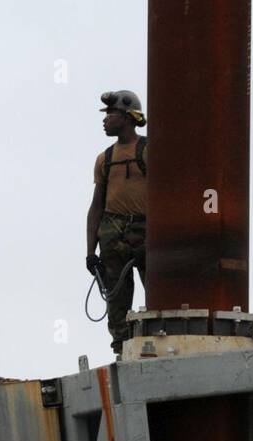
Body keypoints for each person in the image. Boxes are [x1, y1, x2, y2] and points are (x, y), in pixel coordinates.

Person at [86, 90, 147, 355]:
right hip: (112, 235)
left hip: (144, 232)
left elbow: (166, 197)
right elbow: (96, 207)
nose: (105, 120)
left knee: (159, 297)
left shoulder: (148, 150)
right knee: (117, 304)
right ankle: (122, 352)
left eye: (110, 114)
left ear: (127, 117)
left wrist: (157, 239)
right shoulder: (104, 159)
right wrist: (90, 252)